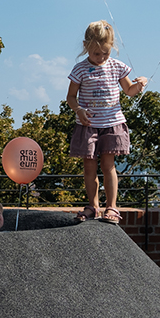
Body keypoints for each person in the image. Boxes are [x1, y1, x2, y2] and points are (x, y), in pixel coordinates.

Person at [66, 20, 147, 225]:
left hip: (112, 123)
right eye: (96, 53)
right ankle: (93, 206)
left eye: (106, 53)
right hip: (88, 125)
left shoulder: (117, 67)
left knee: (108, 165)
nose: (101, 57)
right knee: (89, 167)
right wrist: (78, 110)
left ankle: (112, 206)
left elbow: (129, 91)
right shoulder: (80, 69)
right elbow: (71, 97)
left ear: (112, 48)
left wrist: (140, 84)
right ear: (86, 47)